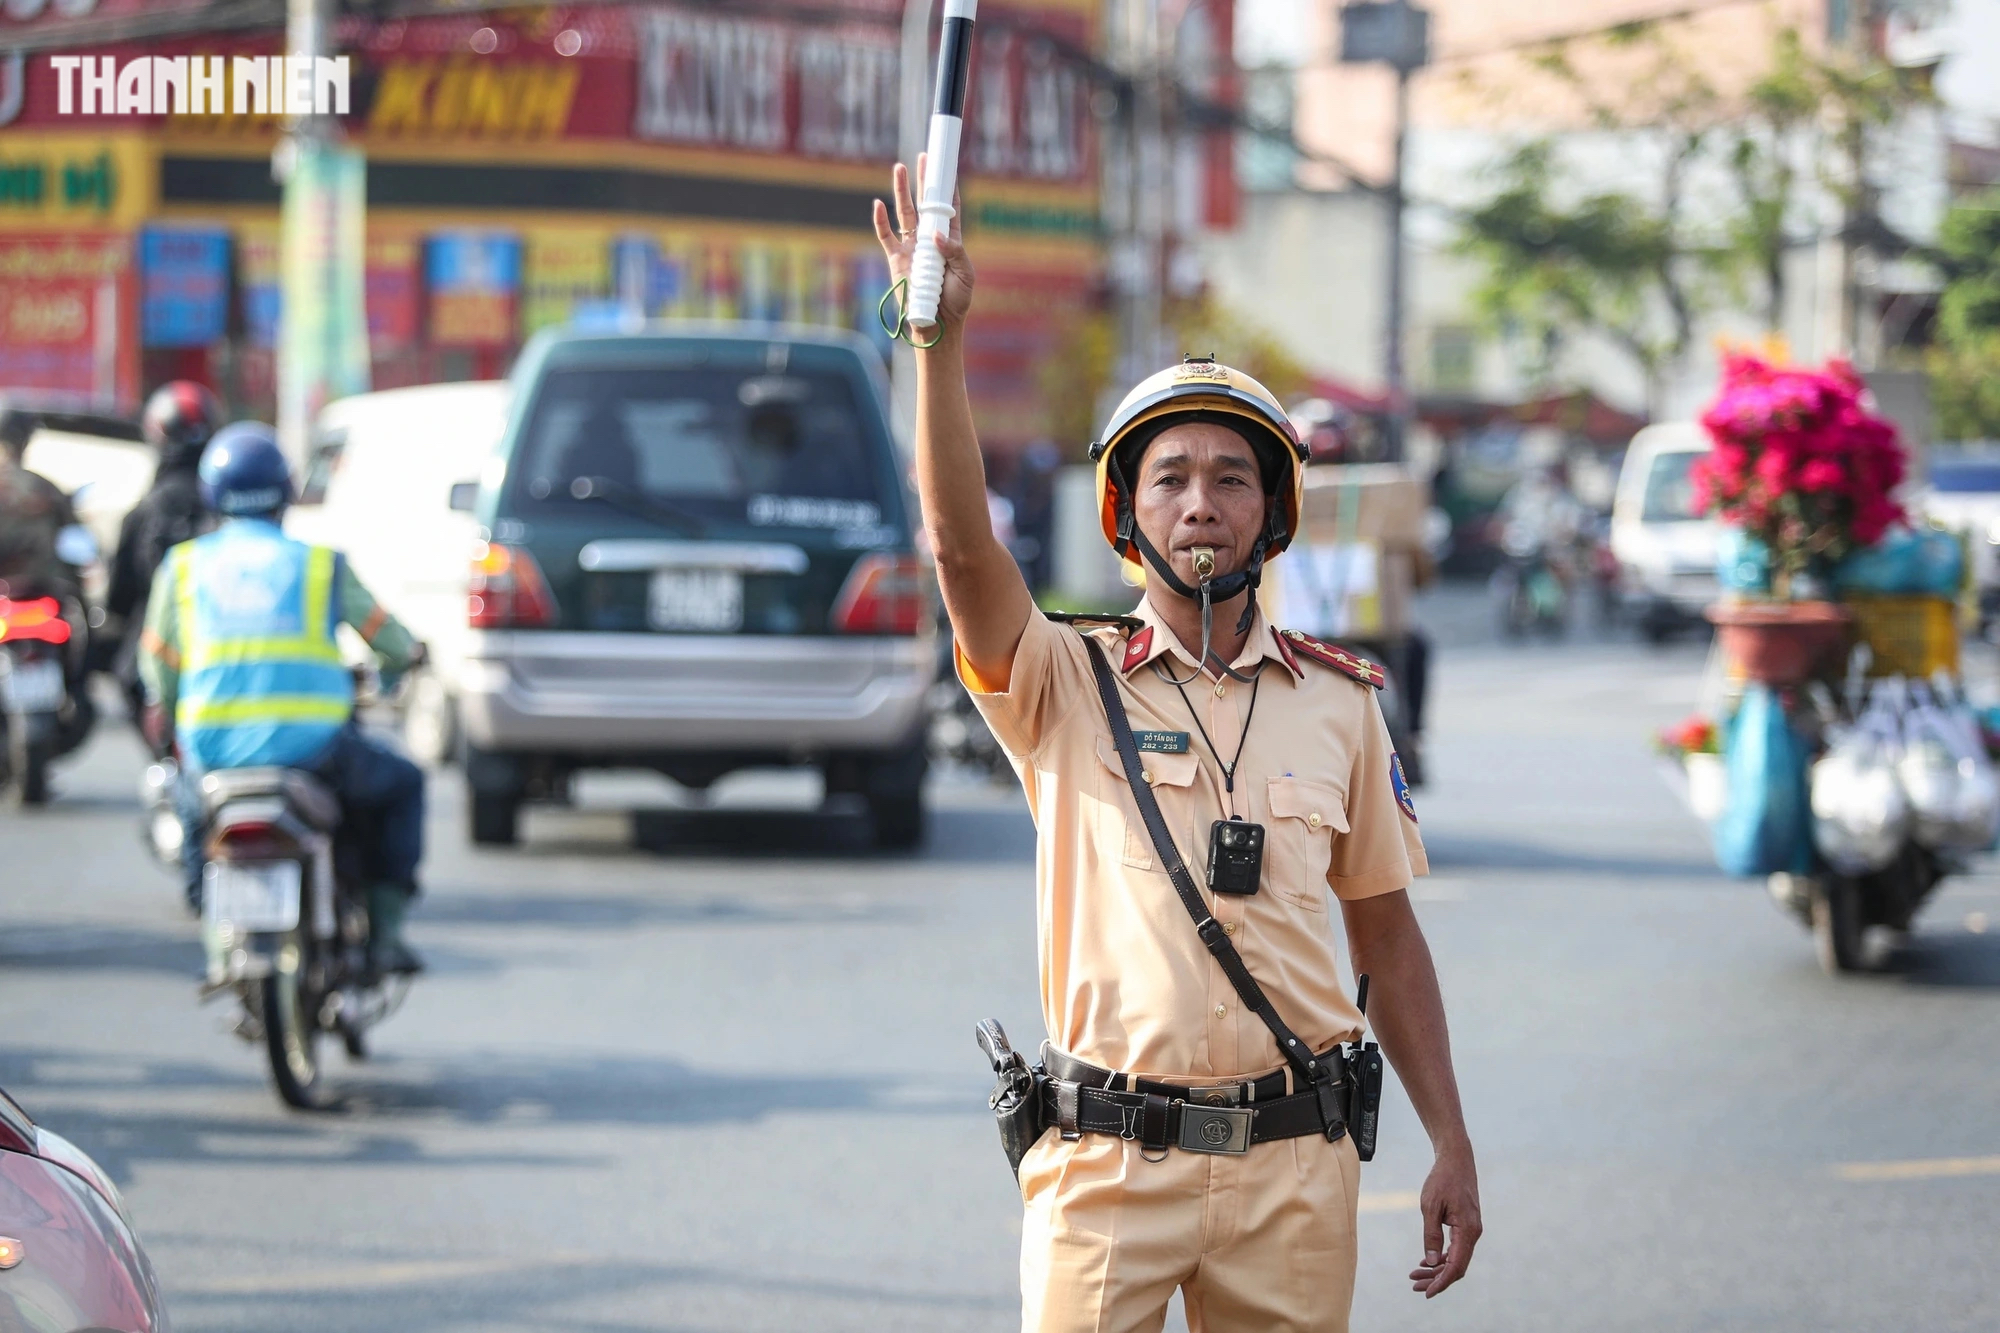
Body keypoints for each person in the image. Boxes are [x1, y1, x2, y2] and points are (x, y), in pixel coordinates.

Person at [873, 161, 1480, 1330]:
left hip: (1294, 1170)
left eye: (1229, 478)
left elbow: (1388, 939)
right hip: (1104, 1168)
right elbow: (958, 554)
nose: (1200, 502)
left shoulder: (1342, 703)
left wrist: (1449, 1136)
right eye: (1170, 480)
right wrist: (936, 349)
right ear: (1126, 514)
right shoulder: (1058, 676)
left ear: (1271, 512)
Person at [139, 423, 428, 972]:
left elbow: (159, 670)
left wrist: (176, 714)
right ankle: (386, 934)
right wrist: (399, 666)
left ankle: (217, 943)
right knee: (403, 785)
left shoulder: (182, 568)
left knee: (192, 825)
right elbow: (390, 643)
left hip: (213, 753)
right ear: (286, 491)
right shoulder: (319, 564)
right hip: (315, 752)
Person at [106, 382, 225, 724]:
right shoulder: (222, 499)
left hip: (167, 636)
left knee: (126, 670)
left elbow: (121, 591)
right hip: (218, 630)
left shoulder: (149, 507)